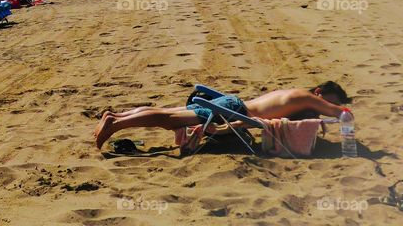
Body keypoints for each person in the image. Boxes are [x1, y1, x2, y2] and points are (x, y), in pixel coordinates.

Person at [95, 82, 350, 148]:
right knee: (168, 120)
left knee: (167, 113)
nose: (327, 106)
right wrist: (344, 113)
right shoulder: (306, 97)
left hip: (233, 103)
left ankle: (117, 116)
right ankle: (116, 124)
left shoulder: (296, 95)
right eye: (330, 100)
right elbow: (339, 113)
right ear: (320, 93)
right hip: (235, 110)